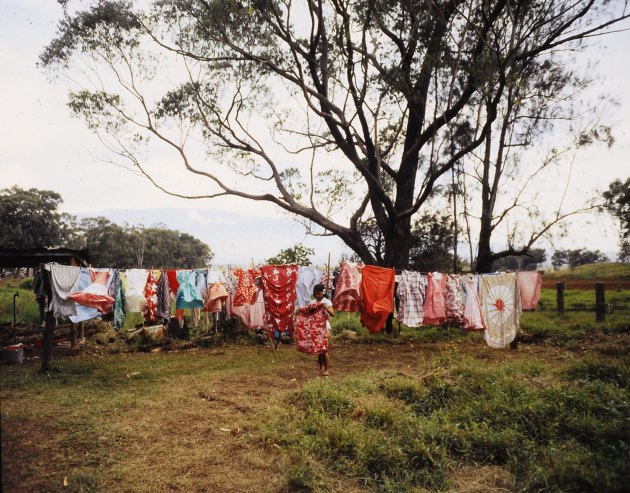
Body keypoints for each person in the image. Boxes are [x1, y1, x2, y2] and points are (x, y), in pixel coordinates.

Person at [308, 283, 335, 376]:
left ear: (322, 293)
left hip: (324, 327)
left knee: (324, 349)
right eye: (315, 294)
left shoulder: (326, 302)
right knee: (319, 349)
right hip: (315, 328)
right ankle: (321, 368)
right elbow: (308, 313)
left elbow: (332, 314)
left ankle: (327, 369)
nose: (317, 295)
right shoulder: (312, 302)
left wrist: (325, 307)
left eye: (318, 294)